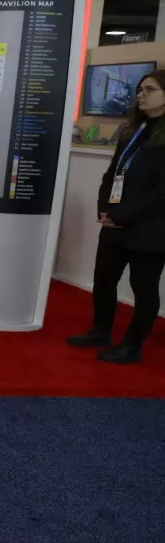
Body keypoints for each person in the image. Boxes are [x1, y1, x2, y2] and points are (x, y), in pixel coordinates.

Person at [68, 69, 165, 364]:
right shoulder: (133, 130)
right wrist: (104, 206)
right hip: (115, 222)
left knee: (143, 289)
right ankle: (100, 331)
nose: (141, 95)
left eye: (150, 89)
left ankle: (132, 346)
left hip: (150, 228)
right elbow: (113, 173)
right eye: (140, 90)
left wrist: (122, 214)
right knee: (103, 279)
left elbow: (161, 193)